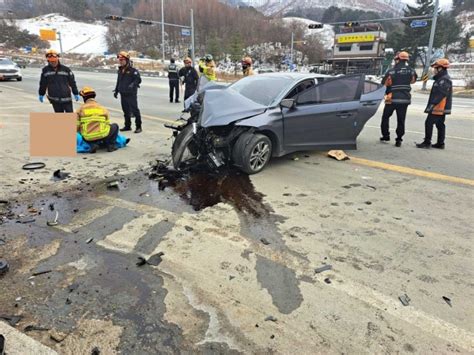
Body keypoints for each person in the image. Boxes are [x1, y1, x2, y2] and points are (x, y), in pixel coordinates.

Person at [380, 51, 417, 147]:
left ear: (397, 60)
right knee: (401, 120)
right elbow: (413, 81)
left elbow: (384, 83)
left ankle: (386, 135)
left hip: (392, 99)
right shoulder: (411, 71)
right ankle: (399, 139)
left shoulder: (391, 71)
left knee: (385, 117)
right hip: (404, 99)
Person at [416, 59, 452, 149]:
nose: (434, 70)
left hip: (438, 107)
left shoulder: (443, 80)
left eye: (435, 68)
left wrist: (432, 104)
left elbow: (441, 94)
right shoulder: (442, 79)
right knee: (440, 124)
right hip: (439, 107)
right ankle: (440, 143)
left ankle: (427, 142)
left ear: (440, 68)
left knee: (429, 123)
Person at [77, 87, 120, 153]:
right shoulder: (102, 108)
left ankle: (92, 145)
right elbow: (107, 123)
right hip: (103, 135)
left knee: (82, 133)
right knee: (115, 126)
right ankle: (111, 146)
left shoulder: (80, 110)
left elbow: (76, 126)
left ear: (84, 98)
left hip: (88, 137)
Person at [114, 51, 142, 133]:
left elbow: (138, 79)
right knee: (125, 110)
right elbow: (118, 81)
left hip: (131, 94)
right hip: (123, 93)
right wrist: (116, 90)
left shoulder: (133, 71)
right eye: (120, 60)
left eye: (122, 60)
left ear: (127, 60)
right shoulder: (120, 70)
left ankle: (138, 126)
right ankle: (127, 125)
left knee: (135, 110)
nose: (121, 62)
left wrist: (133, 84)